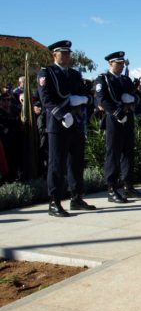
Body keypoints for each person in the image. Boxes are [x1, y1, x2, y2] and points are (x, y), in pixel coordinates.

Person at [37, 40, 96, 216]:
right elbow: (46, 99)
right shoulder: (47, 72)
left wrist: (84, 99)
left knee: (76, 162)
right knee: (57, 164)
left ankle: (76, 197)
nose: (66, 56)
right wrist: (62, 114)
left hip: (75, 122)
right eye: (63, 53)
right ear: (54, 54)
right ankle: (54, 201)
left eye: (68, 53)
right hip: (58, 124)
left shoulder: (75, 74)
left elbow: (85, 94)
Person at [94, 51, 141, 203]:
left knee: (128, 153)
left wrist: (133, 98)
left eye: (123, 63)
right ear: (110, 63)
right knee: (113, 154)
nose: (122, 65)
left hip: (128, 118)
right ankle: (111, 188)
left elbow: (137, 96)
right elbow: (102, 99)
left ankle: (128, 186)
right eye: (118, 63)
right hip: (113, 119)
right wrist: (117, 112)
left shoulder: (126, 80)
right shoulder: (103, 79)